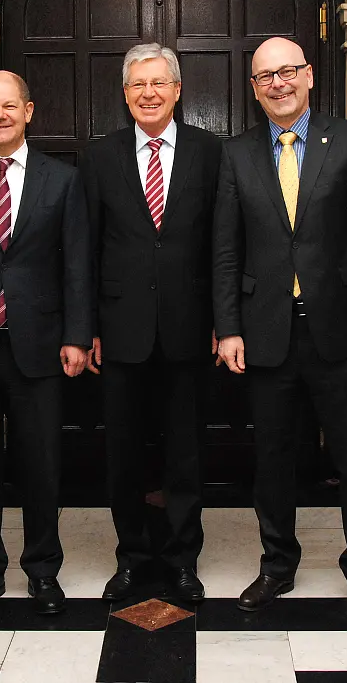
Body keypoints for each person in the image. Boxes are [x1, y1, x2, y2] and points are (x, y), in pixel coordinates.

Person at [213, 36, 347, 621]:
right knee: (273, 457)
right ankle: (276, 566)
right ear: (255, 86)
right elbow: (226, 250)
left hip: (340, 333)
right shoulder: (235, 154)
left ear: (310, 76)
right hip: (266, 333)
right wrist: (228, 327)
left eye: (288, 72)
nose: (278, 83)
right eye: (266, 76)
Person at [80, 43, 222, 603]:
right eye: (138, 84)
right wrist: (85, 326)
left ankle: (184, 560)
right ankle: (134, 558)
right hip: (119, 331)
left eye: (159, 83)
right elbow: (84, 248)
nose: (149, 93)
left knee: (186, 453)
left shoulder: (211, 153)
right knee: (125, 455)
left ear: (178, 89)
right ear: (125, 93)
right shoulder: (99, 156)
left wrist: (221, 320)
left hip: (190, 328)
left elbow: (222, 243)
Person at [0, 71, 92, 618]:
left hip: (42, 346)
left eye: (10, 106)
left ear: (30, 111)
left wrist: (78, 335)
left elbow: (77, 263)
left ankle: (42, 570)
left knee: (41, 465)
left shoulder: (63, 179)